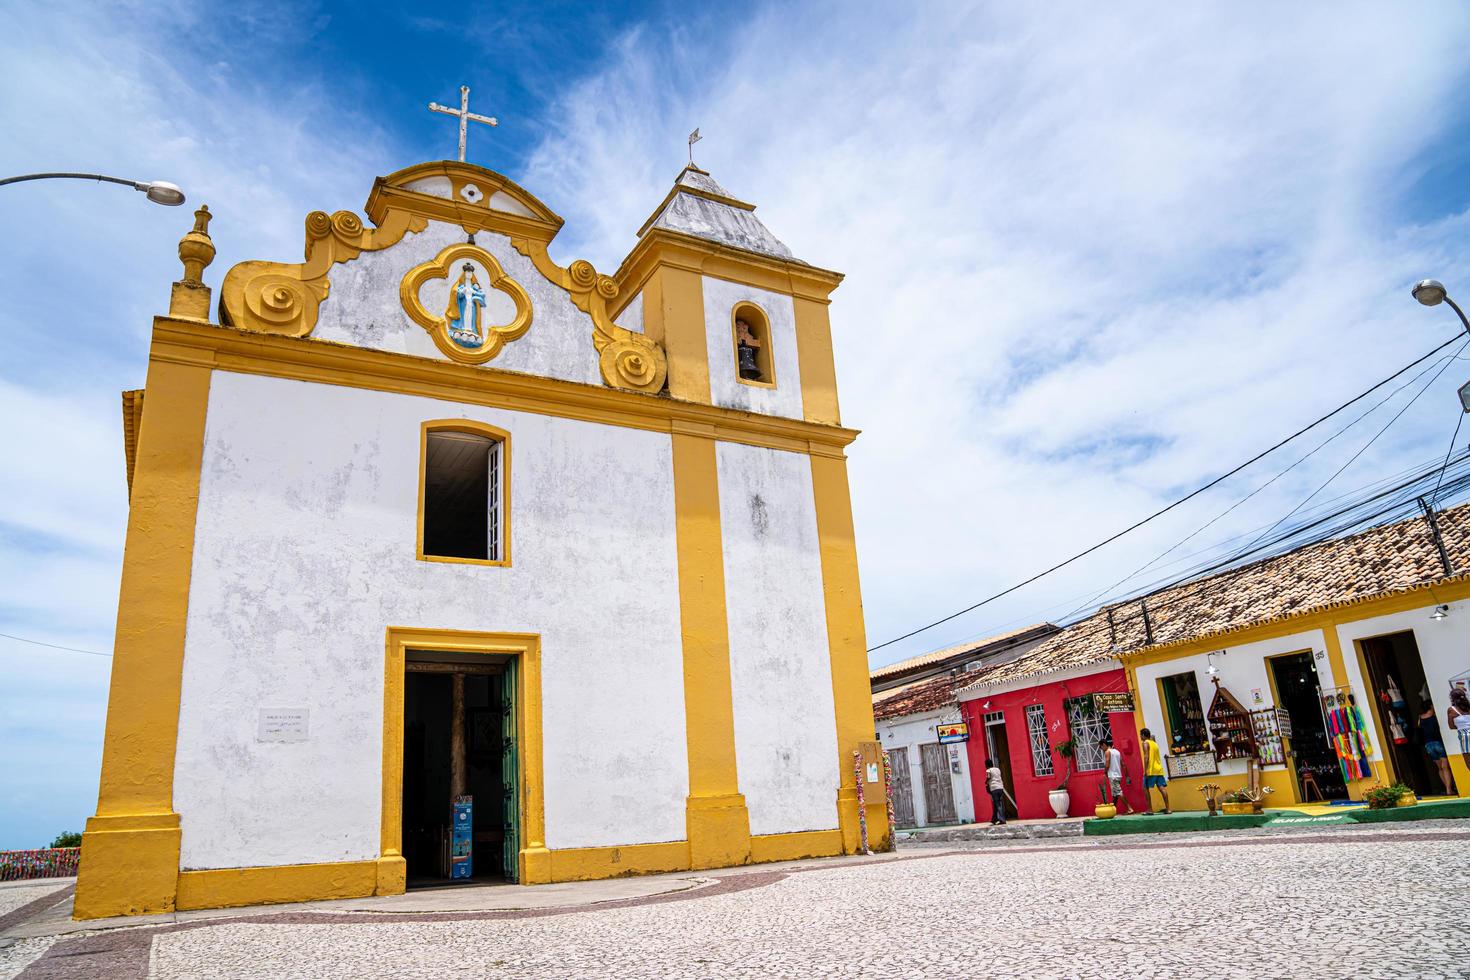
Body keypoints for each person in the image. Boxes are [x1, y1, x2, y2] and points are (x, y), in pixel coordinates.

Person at [1419, 701, 1455, 795]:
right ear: (1431, 706)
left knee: (1440, 768)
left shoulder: (1420, 718)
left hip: (1428, 745)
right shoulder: (1435, 716)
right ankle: (1449, 789)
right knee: (1445, 767)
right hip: (1438, 742)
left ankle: (1447, 788)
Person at [1099, 737, 1133, 814]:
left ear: (1104, 744)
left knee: (1118, 792)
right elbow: (1123, 764)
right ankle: (1112, 810)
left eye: (1100, 747)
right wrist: (1127, 776)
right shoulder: (1117, 751)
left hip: (1112, 775)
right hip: (1118, 775)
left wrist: (1105, 773)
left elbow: (1107, 763)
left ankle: (1129, 808)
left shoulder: (1107, 752)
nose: (1101, 749)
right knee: (1115, 794)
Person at [1140, 728, 1170, 814]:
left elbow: (1146, 757)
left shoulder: (1145, 743)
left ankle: (1149, 809)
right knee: (1161, 788)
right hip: (1159, 769)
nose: (1140, 737)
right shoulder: (1154, 743)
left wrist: (1145, 770)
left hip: (1151, 769)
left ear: (1143, 735)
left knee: (1145, 788)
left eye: (1140, 735)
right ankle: (1168, 809)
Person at [984, 757, 1006, 825]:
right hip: (1000, 787)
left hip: (994, 788)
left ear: (986, 765)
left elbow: (988, 777)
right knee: (996, 804)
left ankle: (1002, 819)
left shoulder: (988, 770)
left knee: (997, 804)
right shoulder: (997, 769)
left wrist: (986, 782)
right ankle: (994, 819)